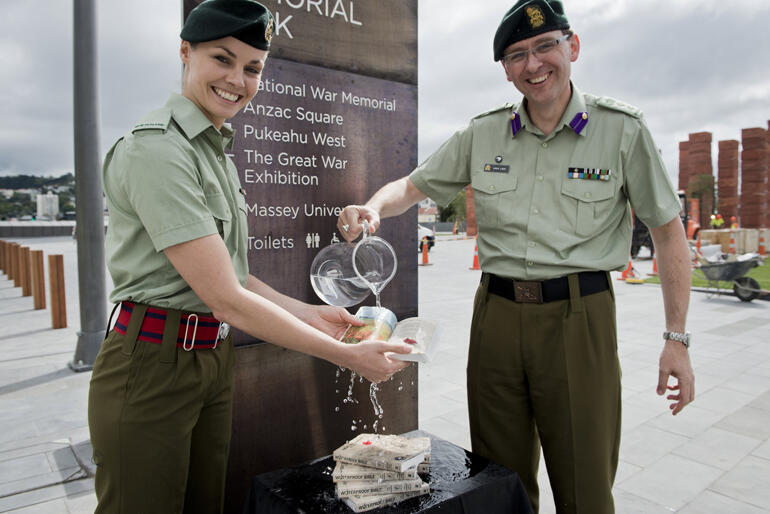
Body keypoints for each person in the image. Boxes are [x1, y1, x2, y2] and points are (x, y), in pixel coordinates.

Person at [337, 1, 694, 512]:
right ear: (505, 69)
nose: (534, 64)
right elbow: (411, 187)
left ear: (572, 46)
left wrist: (676, 339)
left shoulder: (622, 131)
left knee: (586, 487)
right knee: (497, 481)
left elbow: (668, 232)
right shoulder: (483, 134)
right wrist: (371, 208)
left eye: (545, 46)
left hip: (579, 319)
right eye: (517, 54)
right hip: (497, 318)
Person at [87, 2, 411, 513]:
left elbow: (234, 276)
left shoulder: (212, 151)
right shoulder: (158, 150)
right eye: (223, 58)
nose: (237, 79)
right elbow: (227, 299)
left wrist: (309, 313)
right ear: (184, 53)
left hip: (210, 359)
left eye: (253, 67)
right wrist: (347, 355)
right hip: (151, 363)